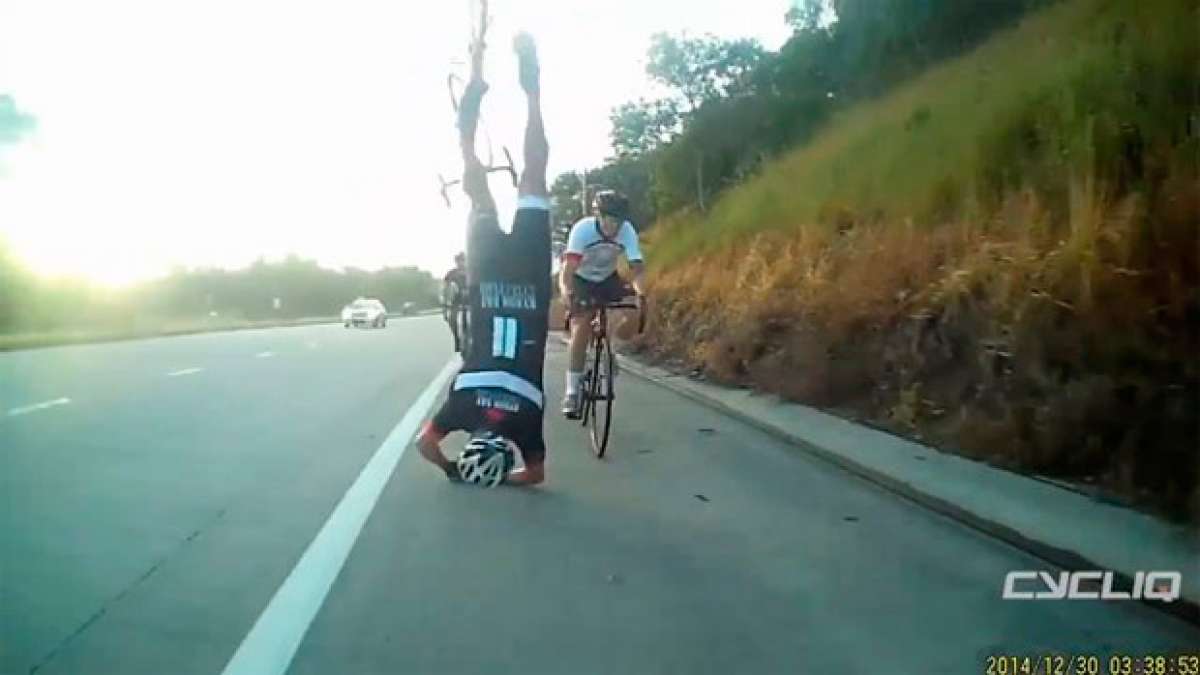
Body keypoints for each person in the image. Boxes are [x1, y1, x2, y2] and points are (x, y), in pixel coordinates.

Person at [416, 25, 551, 487]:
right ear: (472, 439)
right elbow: (423, 444)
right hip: (489, 277)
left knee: (535, 174)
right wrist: (451, 469)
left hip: (532, 281)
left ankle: (532, 91)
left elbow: (534, 476)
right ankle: (472, 95)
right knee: (476, 187)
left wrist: (499, 477)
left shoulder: (525, 423)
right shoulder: (459, 407)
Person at [558, 189, 646, 418]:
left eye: (617, 221)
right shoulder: (583, 230)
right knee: (581, 328)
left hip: (608, 278)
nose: (613, 227)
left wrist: (641, 293)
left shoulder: (627, 231)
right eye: (608, 220)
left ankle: (608, 348)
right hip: (581, 279)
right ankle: (571, 391)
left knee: (630, 313)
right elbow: (567, 271)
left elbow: (637, 270)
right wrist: (566, 291)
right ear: (599, 216)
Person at [441, 252, 468, 352]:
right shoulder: (451, 273)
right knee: (452, 320)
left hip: (470, 301)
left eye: (462, 260)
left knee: (469, 322)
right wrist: (444, 306)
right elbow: (445, 289)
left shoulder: (472, 271)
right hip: (455, 302)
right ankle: (457, 339)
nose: (461, 263)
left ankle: (468, 340)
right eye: (458, 261)